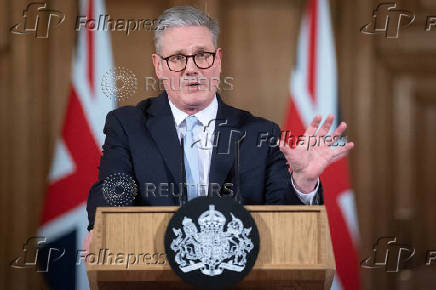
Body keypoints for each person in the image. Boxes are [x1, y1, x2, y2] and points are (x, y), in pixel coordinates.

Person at [83, 5, 354, 253]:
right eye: (177, 58)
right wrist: (104, 228)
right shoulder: (129, 126)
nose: (191, 69)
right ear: (158, 66)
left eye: (202, 55)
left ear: (218, 60)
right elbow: (114, 188)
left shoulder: (260, 134)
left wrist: (303, 182)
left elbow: (287, 225)